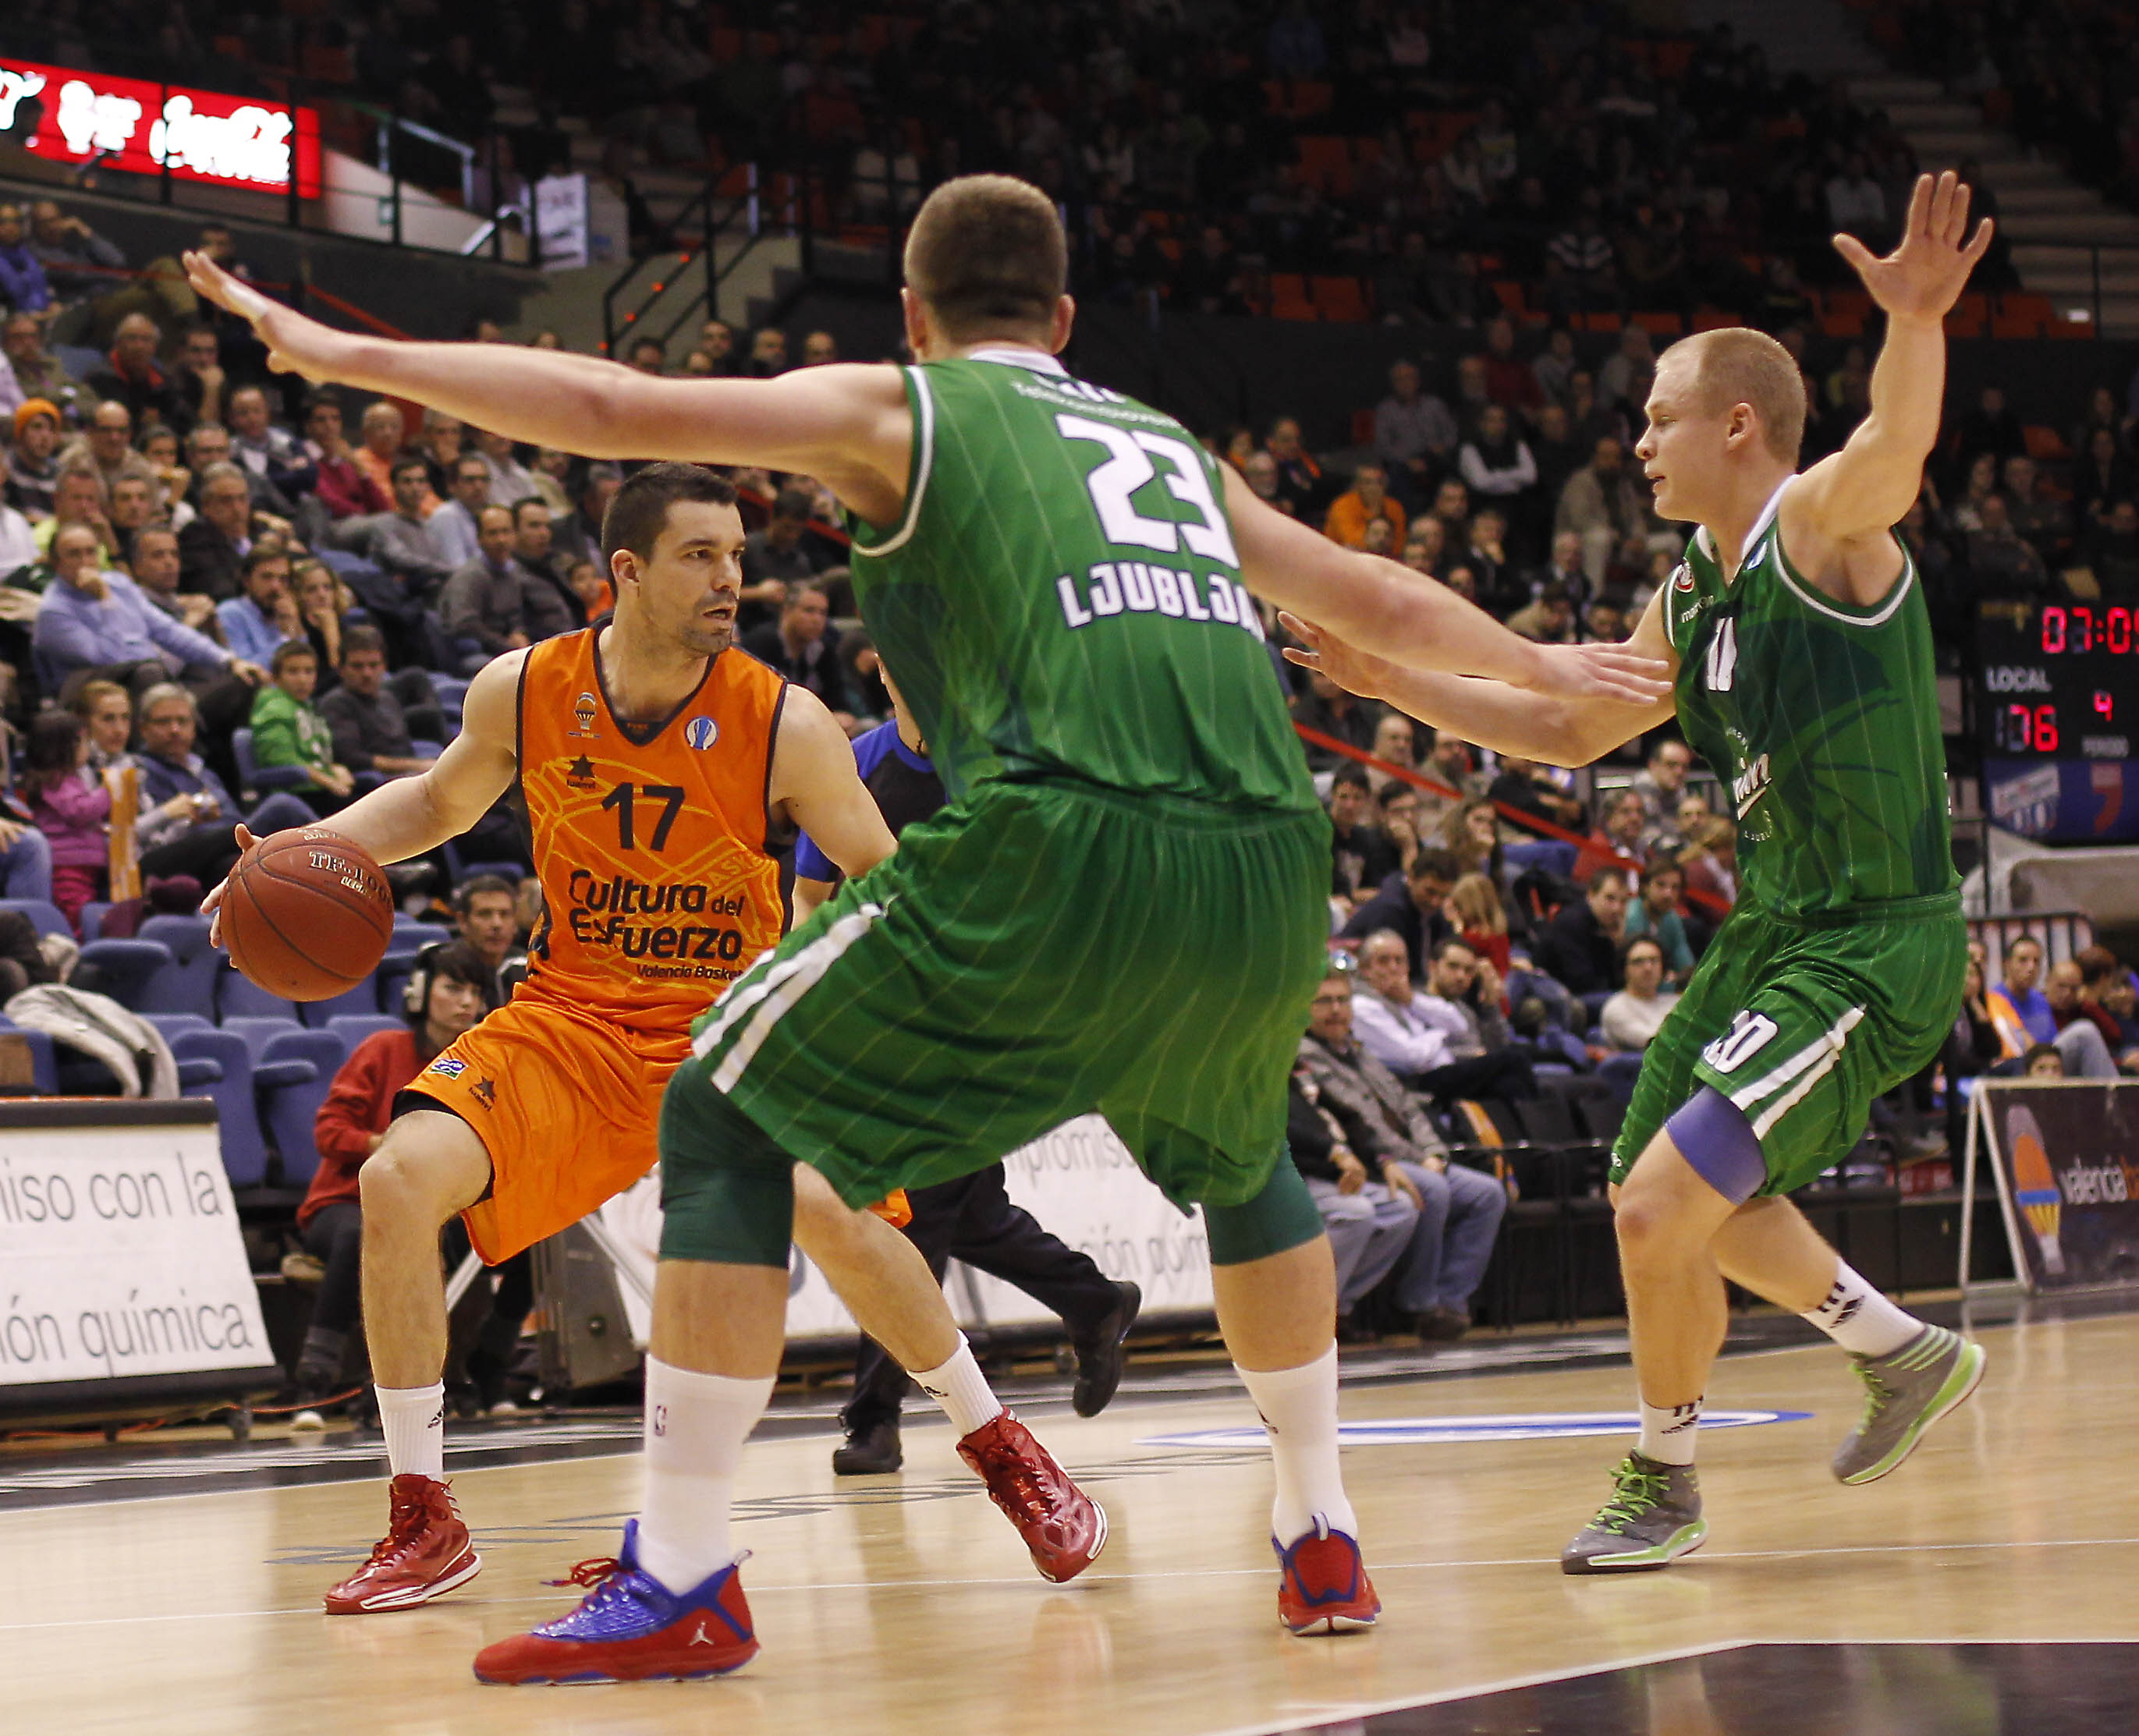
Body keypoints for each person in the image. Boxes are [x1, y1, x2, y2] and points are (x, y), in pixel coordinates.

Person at [186, 172, 1656, 1674]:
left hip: (1031, 851)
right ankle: (1318, 1525)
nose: (728, 575)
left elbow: (611, 401)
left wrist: (343, 351)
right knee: (1244, 1168)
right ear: (1065, 319)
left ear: (910, 315)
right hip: (1265, 853)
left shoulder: (902, 428)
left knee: (729, 1115)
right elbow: (1373, 598)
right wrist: (1549, 668)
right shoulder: (1164, 448)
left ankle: (701, 1565)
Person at [1286, 172, 1992, 1576]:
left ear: (1737, 424)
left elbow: (1896, 446)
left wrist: (1913, 323)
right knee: (1651, 1200)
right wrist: (1391, 682)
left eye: (1659, 417)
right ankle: (1897, 1349)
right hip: (1772, 936)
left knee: (1668, 1202)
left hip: (1872, 938)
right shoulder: (1690, 587)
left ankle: (1665, 1481)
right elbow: (1568, 725)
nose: (1637, 441)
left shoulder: (1818, 526)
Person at [792, 668, 1141, 1475]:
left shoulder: (1001, 770)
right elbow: (809, 895)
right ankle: (1094, 1302)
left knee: (915, 1211)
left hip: (983, 1020)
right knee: (966, 1210)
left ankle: (875, 1418)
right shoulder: (853, 763)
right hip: (881, 1023)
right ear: (885, 669)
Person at [290, 942, 493, 1416]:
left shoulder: (481, 1065)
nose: (466, 1002)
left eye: (475, 992)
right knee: (365, 1232)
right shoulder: (382, 1049)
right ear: (419, 993)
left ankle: (477, 1374)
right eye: (454, 988)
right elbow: (329, 1130)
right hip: (344, 1202)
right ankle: (314, 1380)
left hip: (436, 1207)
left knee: (516, 1241)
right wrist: (387, 1146)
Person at [1297, 961, 1506, 1337]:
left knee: (1487, 1194)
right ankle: (1418, 1305)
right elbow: (1359, 1124)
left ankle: (1451, 1299)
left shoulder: (1359, 1050)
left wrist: (1433, 1152)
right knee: (1432, 1189)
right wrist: (1420, 1160)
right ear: (1305, 1009)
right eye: (1324, 1002)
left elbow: (1408, 1107)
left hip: (1416, 1155)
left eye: (1343, 1000)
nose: (1336, 1010)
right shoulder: (1306, 1055)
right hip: (1373, 1160)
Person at [132, 683, 314, 885]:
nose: (175, 730)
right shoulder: (141, 771)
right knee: (281, 805)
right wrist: (186, 820)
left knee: (238, 866)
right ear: (143, 729)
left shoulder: (204, 771)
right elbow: (153, 842)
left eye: (182, 721)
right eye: (164, 722)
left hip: (224, 848)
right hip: (184, 853)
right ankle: (337, 851)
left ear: (194, 726)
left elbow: (232, 818)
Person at [1353, 930, 1535, 1104]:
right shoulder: (1365, 1004)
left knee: (1508, 1085)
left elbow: (1460, 1026)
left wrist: (1491, 1007)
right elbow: (1411, 1057)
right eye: (1383, 961)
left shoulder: (1410, 1000)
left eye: (1399, 961)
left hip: (1446, 1071)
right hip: (1413, 1083)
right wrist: (1440, 1035)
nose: (1393, 968)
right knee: (1515, 1059)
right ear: (1365, 968)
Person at [317, 627, 440, 779]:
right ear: (341, 669)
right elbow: (352, 758)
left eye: (374, 665)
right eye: (357, 666)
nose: (367, 673)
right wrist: (415, 766)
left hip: (410, 774)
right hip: (377, 781)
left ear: (384, 667)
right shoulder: (335, 704)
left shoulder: (388, 698)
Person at [248, 639, 356, 807]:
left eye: (309, 671)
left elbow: (315, 755)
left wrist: (334, 768)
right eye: (293, 672)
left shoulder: (308, 707)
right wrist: (328, 780)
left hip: (321, 786)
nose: (302, 679)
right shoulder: (273, 709)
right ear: (276, 678)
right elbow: (283, 759)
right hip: (297, 793)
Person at [1339, 845, 1458, 975]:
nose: (1435, 902)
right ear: (1411, 878)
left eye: (1443, 896)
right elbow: (1390, 971)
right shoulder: (1390, 911)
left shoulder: (1433, 911)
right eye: (1430, 892)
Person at [1602, 935, 1679, 1051]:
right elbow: (1657, 1046)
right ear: (1624, 969)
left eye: (1654, 960)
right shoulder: (1616, 1008)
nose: (1648, 968)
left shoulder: (1675, 1002)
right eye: (1638, 962)